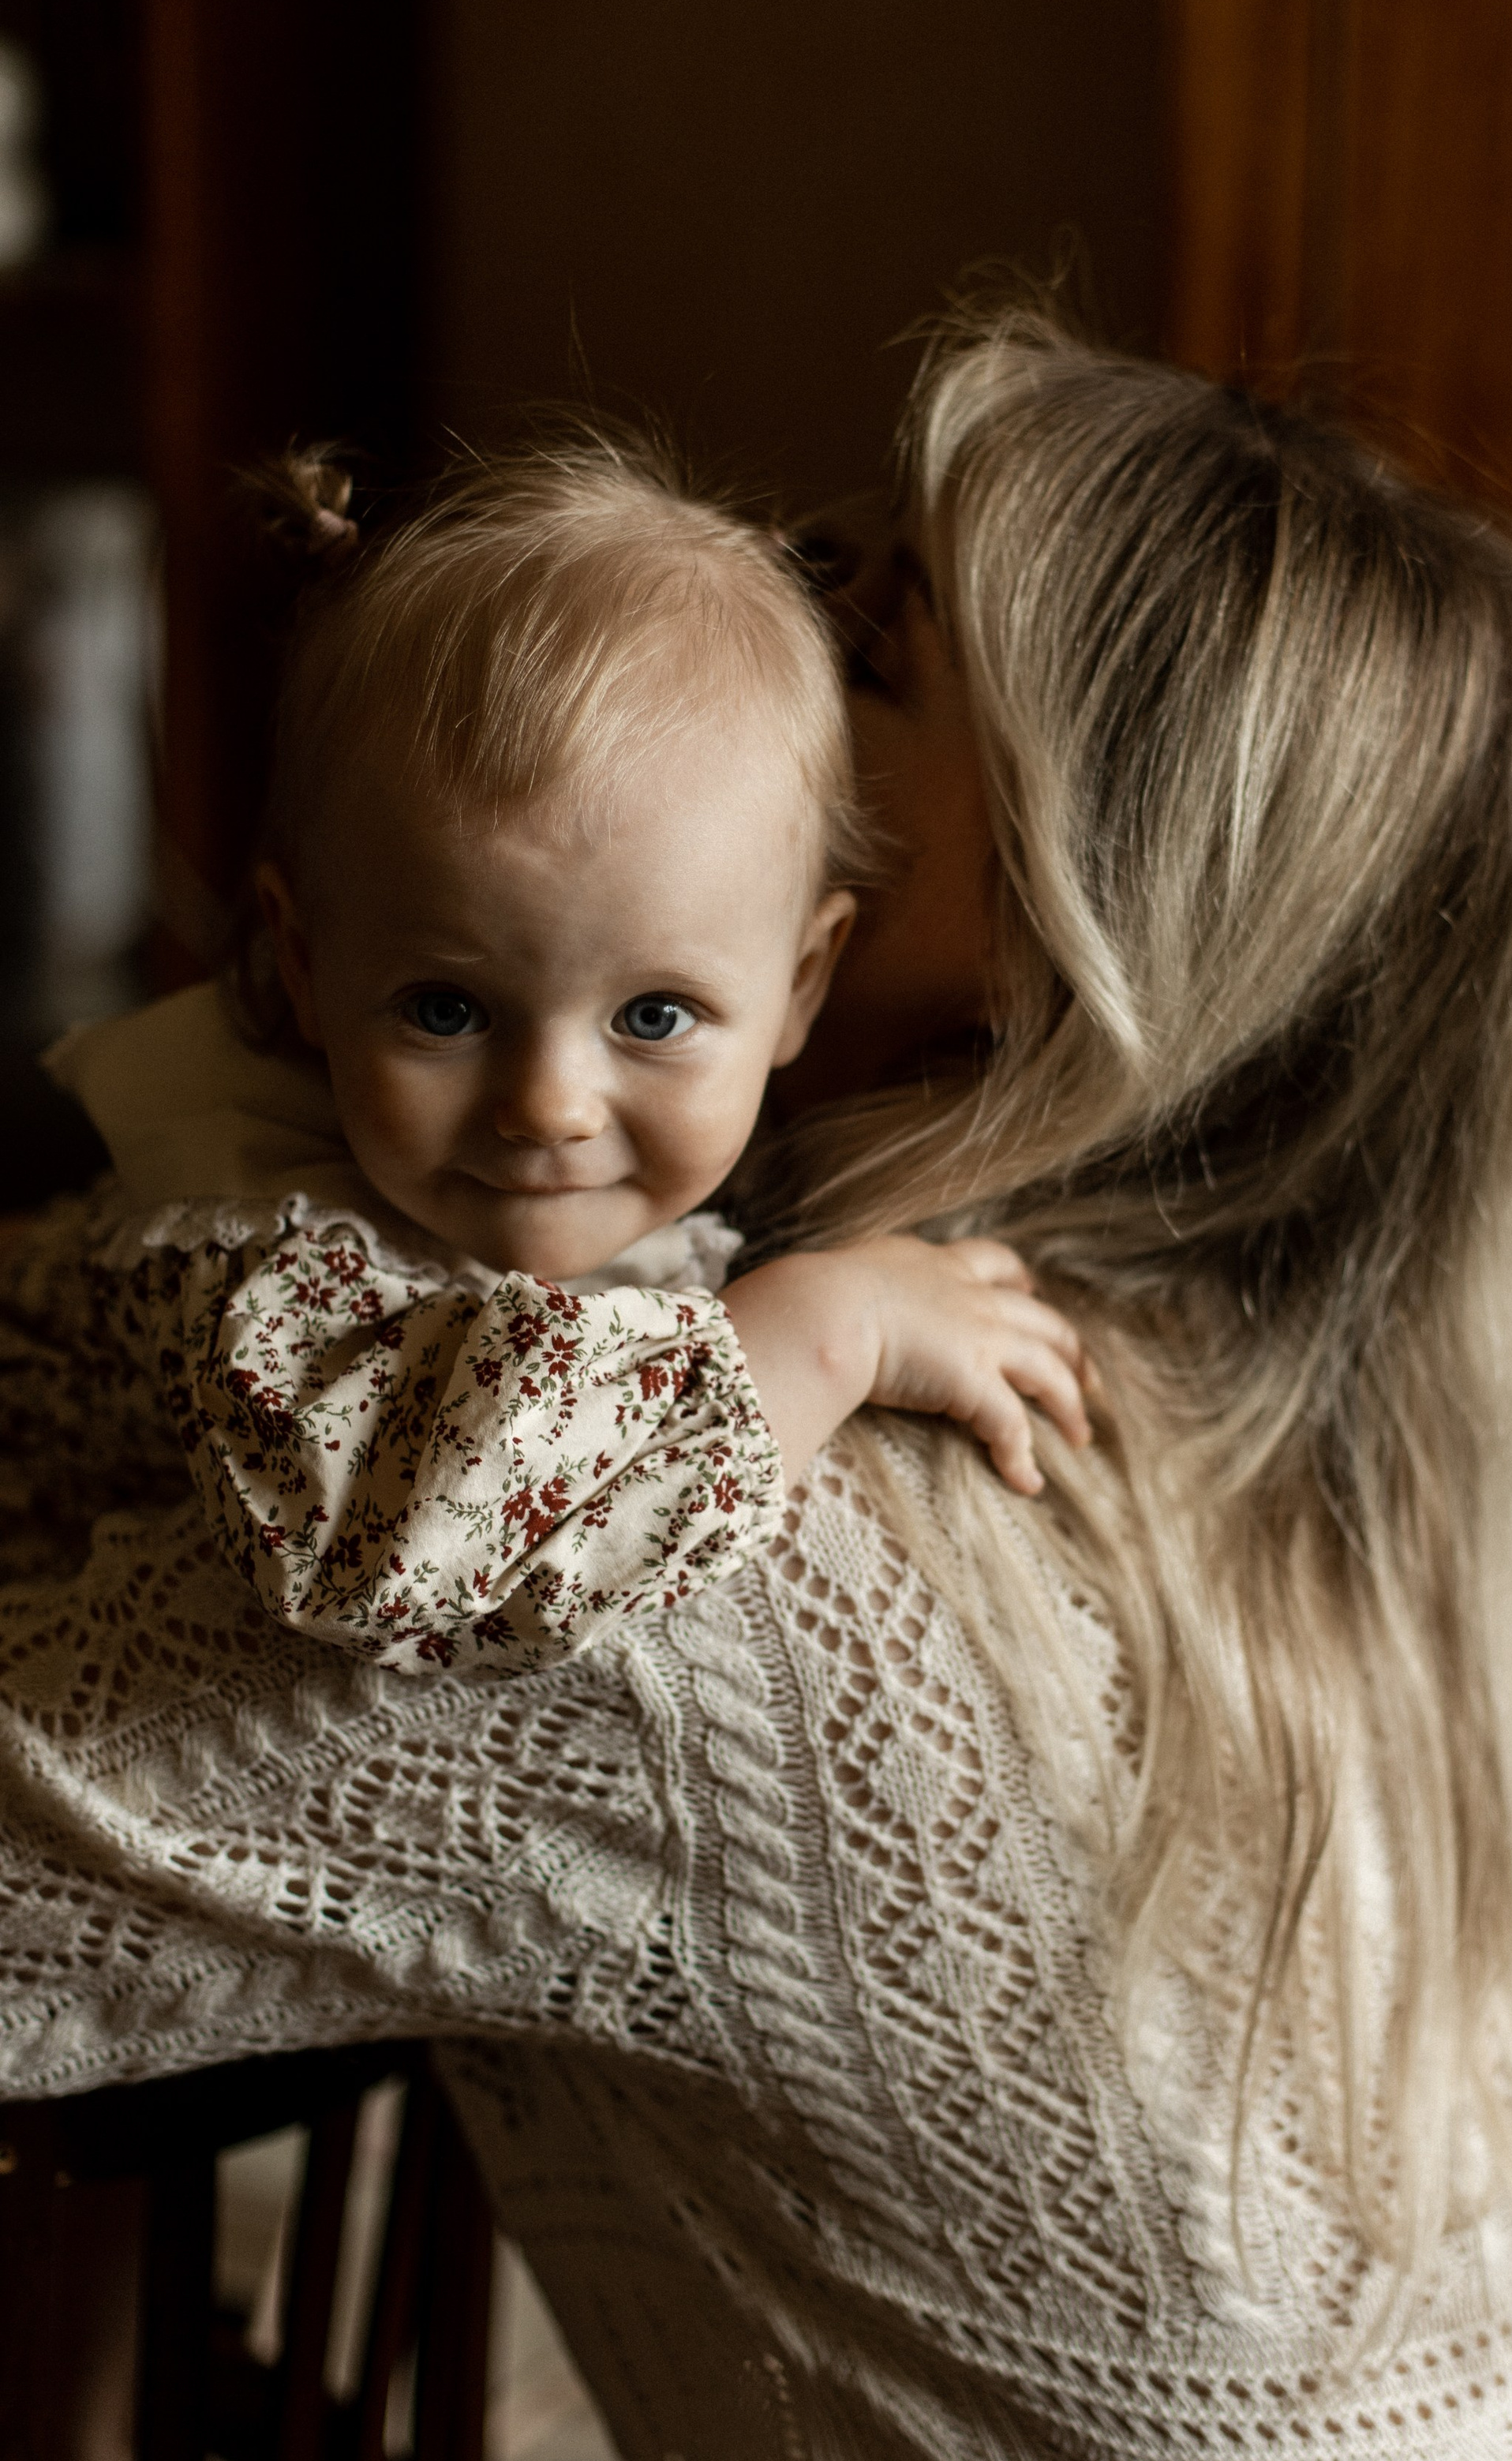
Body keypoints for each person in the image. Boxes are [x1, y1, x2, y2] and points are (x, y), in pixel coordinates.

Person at [0, 305, 1512, 2461]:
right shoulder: (1311, 1463)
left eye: (858, 654)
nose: (749, 678)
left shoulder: (677, 1544)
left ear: (1038, 954)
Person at [0, 436, 1088, 1686]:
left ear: (801, 982)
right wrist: (829, 1330)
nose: (548, 1107)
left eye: (655, 1018)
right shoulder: (267, 1235)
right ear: (303, 963)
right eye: (447, 1013)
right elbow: (399, 1548)